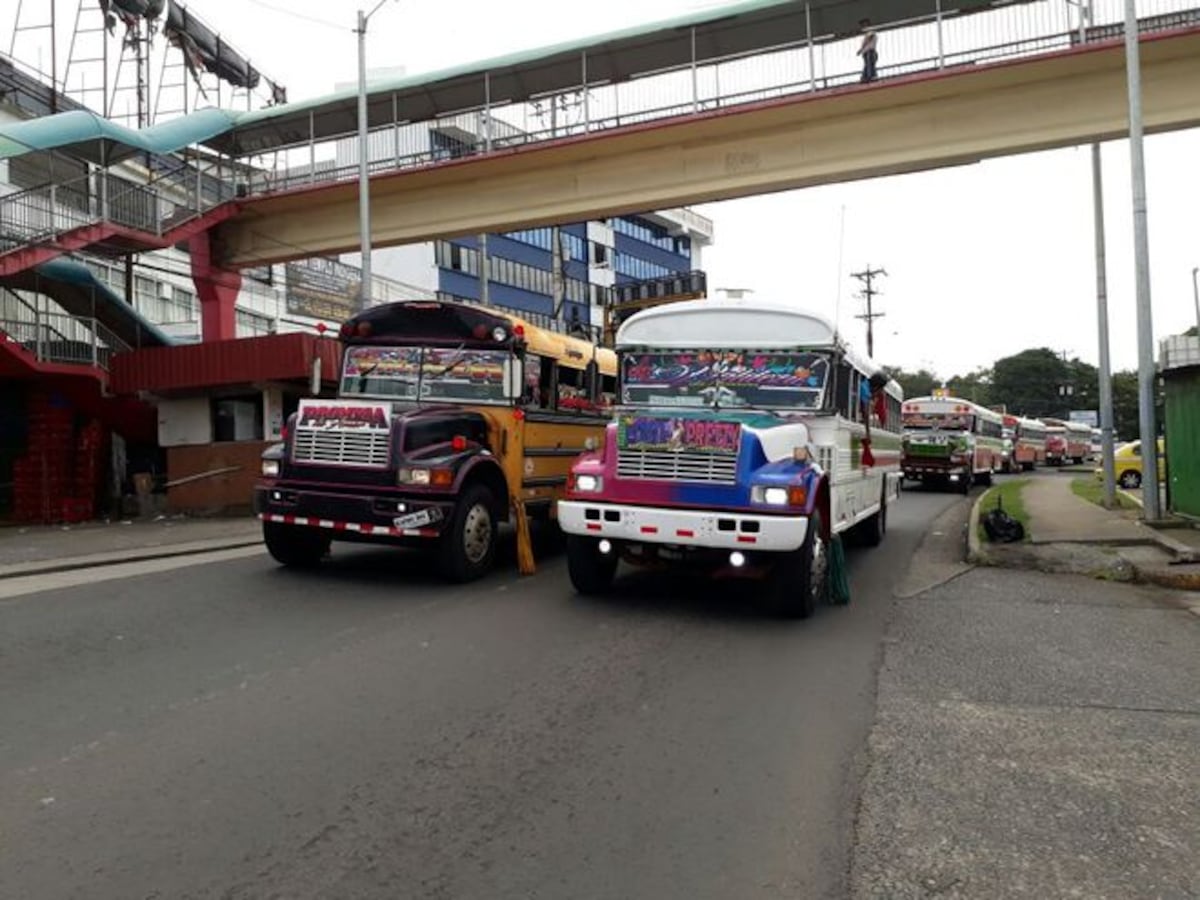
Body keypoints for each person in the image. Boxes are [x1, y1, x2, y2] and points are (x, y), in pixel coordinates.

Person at [857, 18, 878, 83]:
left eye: (863, 25)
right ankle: (865, 77)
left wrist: (861, 49)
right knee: (868, 65)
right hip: (867, 52)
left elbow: (869, 38)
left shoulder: (871, 31)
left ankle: (870, 77)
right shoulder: (867, 33)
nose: (862, 27)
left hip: (870, 51)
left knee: (869, 65)